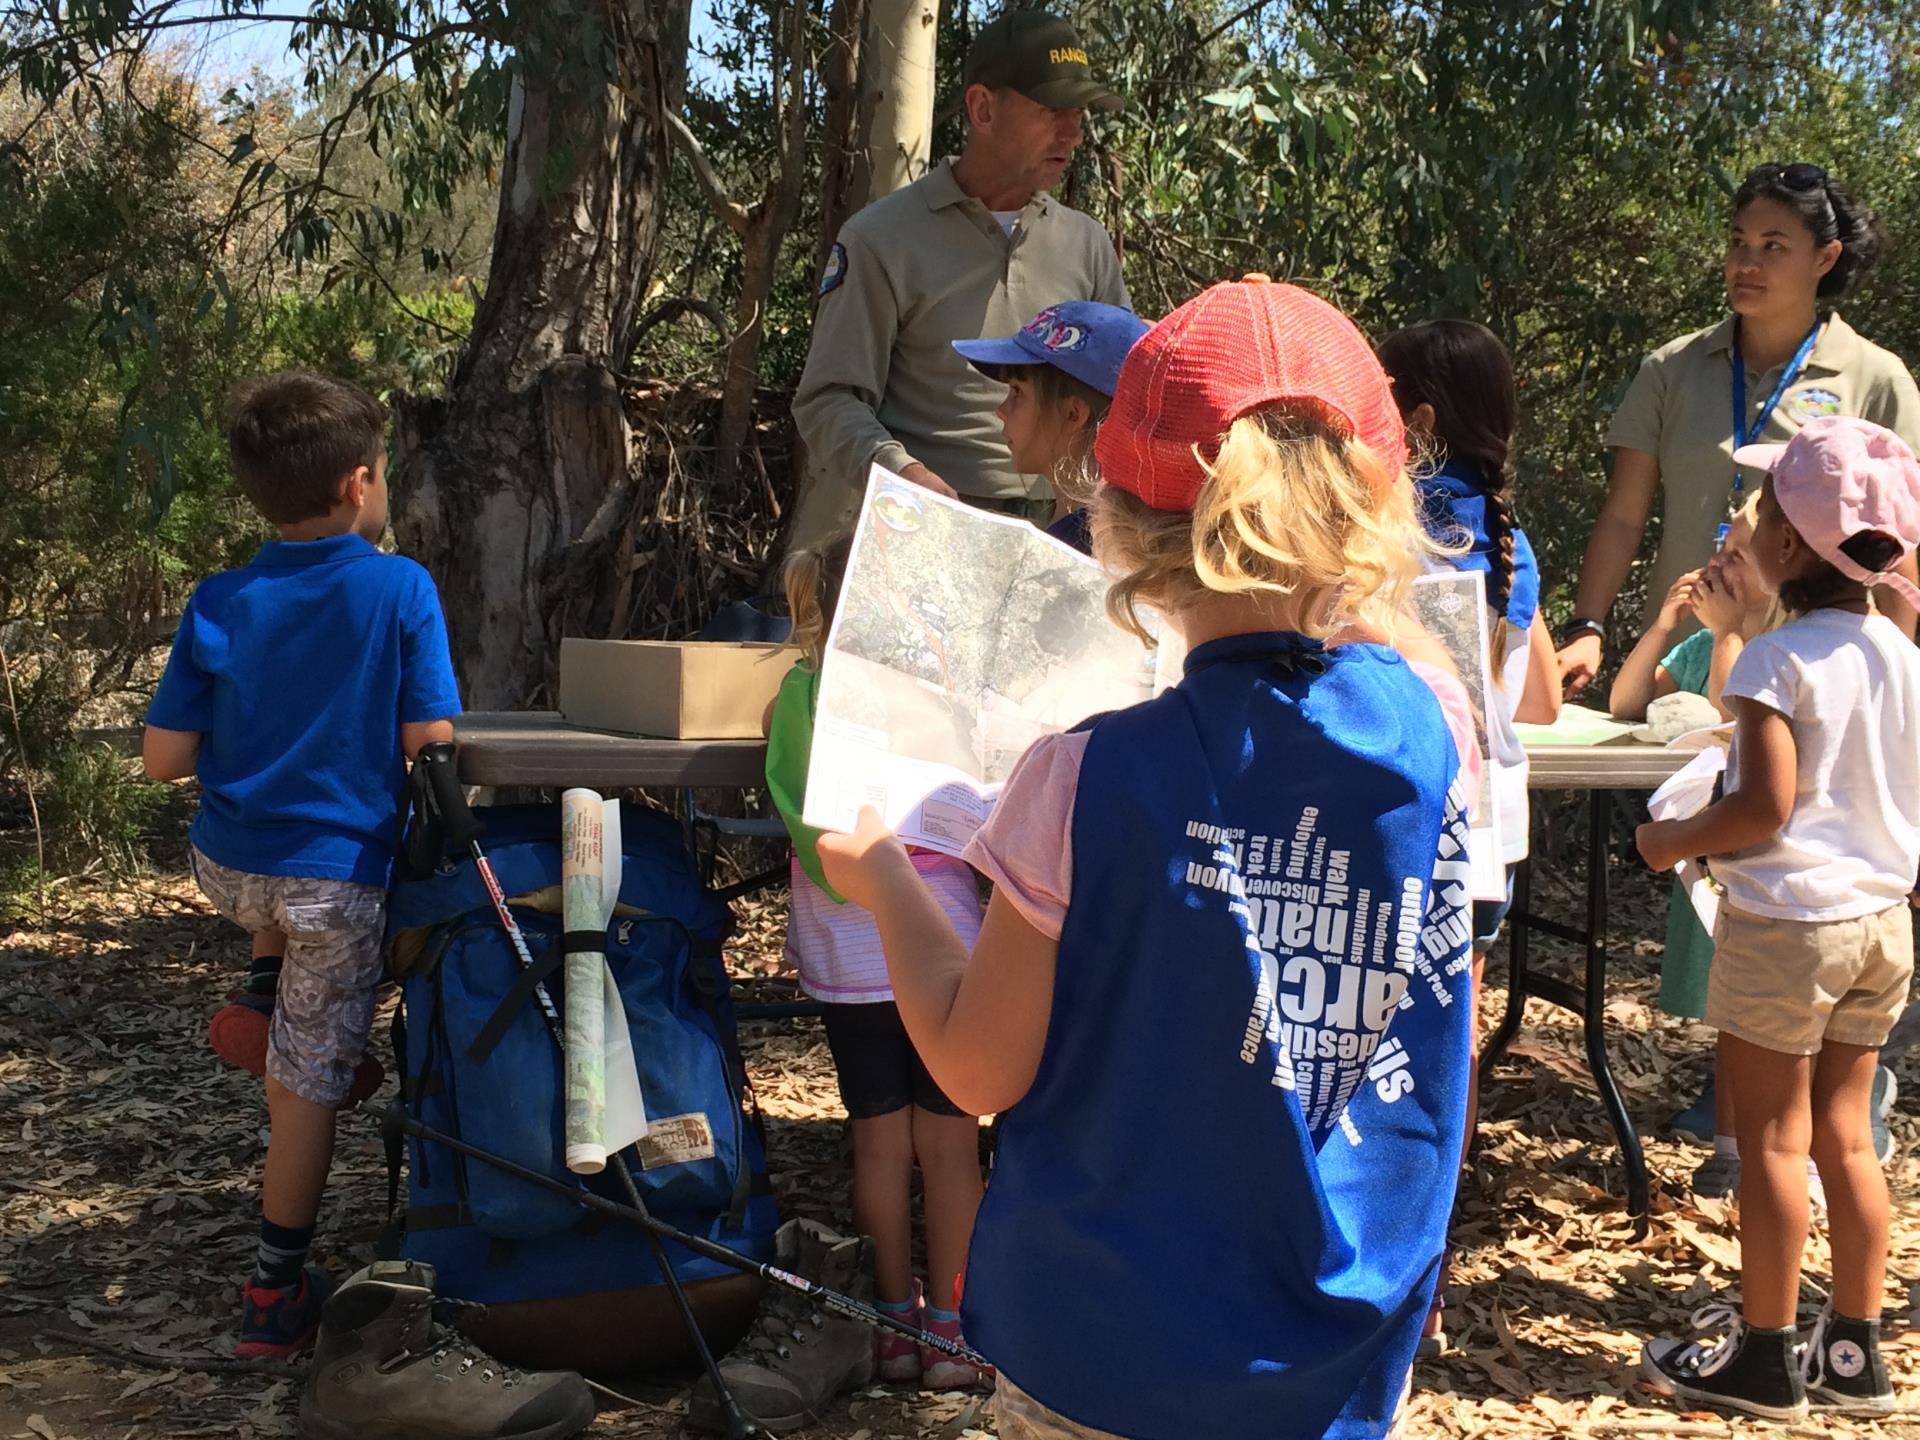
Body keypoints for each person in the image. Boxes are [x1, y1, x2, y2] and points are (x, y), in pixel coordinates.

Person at [816, 277, 1483, 1440]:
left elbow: (975, 1070)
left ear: (1114, 522)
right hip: (1328, 1357)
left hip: (1101, 1351)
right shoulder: (1434, 733)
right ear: (1379, 508)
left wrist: (883, 875)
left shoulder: (1081, 777)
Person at [142, 373, 462, 1359]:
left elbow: (163, 760)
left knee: (280, 898)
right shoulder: (399, 588)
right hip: (331, 884)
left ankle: (263, 983)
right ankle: (274, 1296)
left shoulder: (221, 597)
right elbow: (430, 744)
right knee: (304, 1090)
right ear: (360, 483)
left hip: (231, 870)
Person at [1636, 416, 1920, 1421]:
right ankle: (1854, 1351)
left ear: (1790, 546)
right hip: (1881, 923)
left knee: (1769, 1141)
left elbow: (1763, 808)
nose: (1744, 528)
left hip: (1790, 925)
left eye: (1756, 514)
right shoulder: (1902, 654)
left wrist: (1669, 841)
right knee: (1850, 1136)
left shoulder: (1774, 662)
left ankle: (1763, 1356)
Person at [762, 539, 991, 1391]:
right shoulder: (942, 699)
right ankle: (955, 1332)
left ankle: (892, 1324)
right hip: (942, 938)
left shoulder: (799, 697)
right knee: (953, 1147)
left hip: (850, 952)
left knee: (879, 1144)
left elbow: (808, 826)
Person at [1559, 163, 1920, 695]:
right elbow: (1623, 517)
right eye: (1737, 243)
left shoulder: (1877, 379)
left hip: (1816, 678)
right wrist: (1586, 628)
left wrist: (1896, 679)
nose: (1746, 264)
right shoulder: (1671, 367)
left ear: (1825, 258)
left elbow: (1898, 547)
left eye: (1774, 246)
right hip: (1682, 673)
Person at [1377, 318, 1561, 1359]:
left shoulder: (1379, 524)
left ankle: (1372, 1256)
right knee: (1445, 1052)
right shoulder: (1506, 538)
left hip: (1400, 813)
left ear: (1414, 419)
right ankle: (1430, 1280)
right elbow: (1533, 700)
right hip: (1487, 836)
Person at [789, 9, 1129, 547]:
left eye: (1079, 114)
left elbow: (1124, 394)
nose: (1074, 134)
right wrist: (903, 475)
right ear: (982, 108)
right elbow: (827, 400)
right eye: (1052, 110)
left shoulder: (1085, 244)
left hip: (1064, 535)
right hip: (923, 530)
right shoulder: (882, 238)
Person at [951, 300, 1150, 552]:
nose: (1001, 410)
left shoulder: (1082, 553)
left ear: (1072, 415)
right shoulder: (1117, 534)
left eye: (1017, 392)